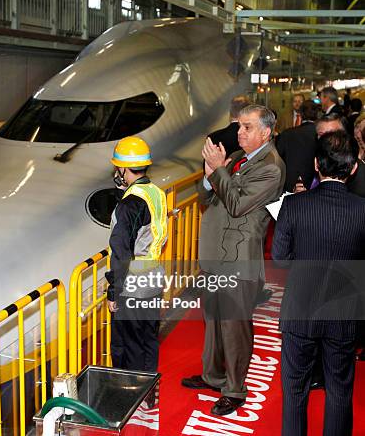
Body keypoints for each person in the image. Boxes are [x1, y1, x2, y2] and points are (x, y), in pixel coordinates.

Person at [181, 105, 285, 416]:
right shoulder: (241, 158)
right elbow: (208, 197)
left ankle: (235, 389)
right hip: (217, 255)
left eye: (248, 128)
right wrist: (210, 174)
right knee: (213, 321)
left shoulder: (272, 167)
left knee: (235, 327)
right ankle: (213, 376)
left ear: (265, 132)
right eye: (239, 126)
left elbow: (238, 205)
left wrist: (220, 170)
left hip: (239, 260)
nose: (240, 133)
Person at [272, 130, 365, 436]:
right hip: (345, 311)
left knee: (295, 393)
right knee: (339, 391)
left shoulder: (294, 206)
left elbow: (281, 260)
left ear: (316, 164)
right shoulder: (362, 210)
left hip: (300, 309)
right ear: (353, 167)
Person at [105, 136, 167, 374]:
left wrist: (113, 291)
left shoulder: (129, 205)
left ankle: (129, 393)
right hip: (153, 278)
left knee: (127, 344)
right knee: (148, 339)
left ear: (122, 167)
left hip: (132, 284)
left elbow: (121, 252)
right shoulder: (156, 193)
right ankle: (150, 390)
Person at [276, 100, 320, 192]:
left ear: (301, 114)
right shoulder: (321, 135)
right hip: (316, 185)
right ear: (317, 114)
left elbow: (277, 160)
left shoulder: (287, 134)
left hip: (290, 185)